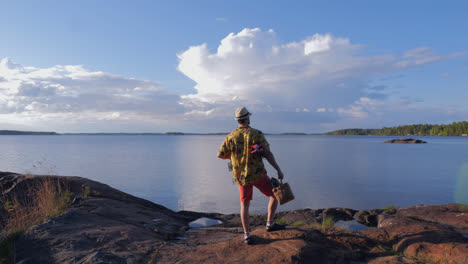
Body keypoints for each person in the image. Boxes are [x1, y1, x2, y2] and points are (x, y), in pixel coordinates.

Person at [217, 107, 286, 245]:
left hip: (241, 177)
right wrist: (278, 169)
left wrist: (234, 156)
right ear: (248, 118)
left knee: (245, 205)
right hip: (257, 174)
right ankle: (270, 224)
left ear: (238, 120)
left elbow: (220, 155)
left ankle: (247, 235)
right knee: (276, 193)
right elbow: (268, 154)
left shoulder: (231, 136)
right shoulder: (256, 134)